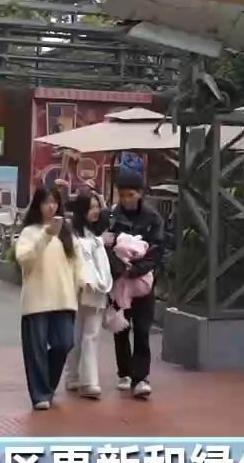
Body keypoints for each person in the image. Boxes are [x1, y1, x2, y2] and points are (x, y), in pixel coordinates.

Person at [14, 188, 82, 411]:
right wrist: (46, 235)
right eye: (46, 202)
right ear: (38, 205)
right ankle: (40, 394)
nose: (51, 207)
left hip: (64, 298)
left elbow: (77, 263)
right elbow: (24, 259)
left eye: (54, 202)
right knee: (36, 350)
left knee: (64, 343)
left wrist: (81, 285)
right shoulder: (30, 232)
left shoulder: (67, 233)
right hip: (36, 300)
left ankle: (47, 386)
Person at [104, 170, 167, 398]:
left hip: (143, 282)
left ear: (140, 193)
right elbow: (103, 245)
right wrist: (119, 268)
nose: (126, 199)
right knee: (120, 327)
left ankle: (141, 377)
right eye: (122, 195)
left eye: (130, 195)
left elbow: (158, 249)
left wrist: (138, 269)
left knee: (142, 329)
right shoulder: (111, 216)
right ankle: (125, 372)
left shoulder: (153, 218)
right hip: (119, 281)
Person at [62, 193, 113, 400]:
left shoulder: (97, 234)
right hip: (79, 289)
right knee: (76, 335)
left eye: (97, 206)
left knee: (91, 334)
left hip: (98, 289)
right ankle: (73, 376)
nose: (95, 211)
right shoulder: (73, 234)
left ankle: (89, 380)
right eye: (91, 207)